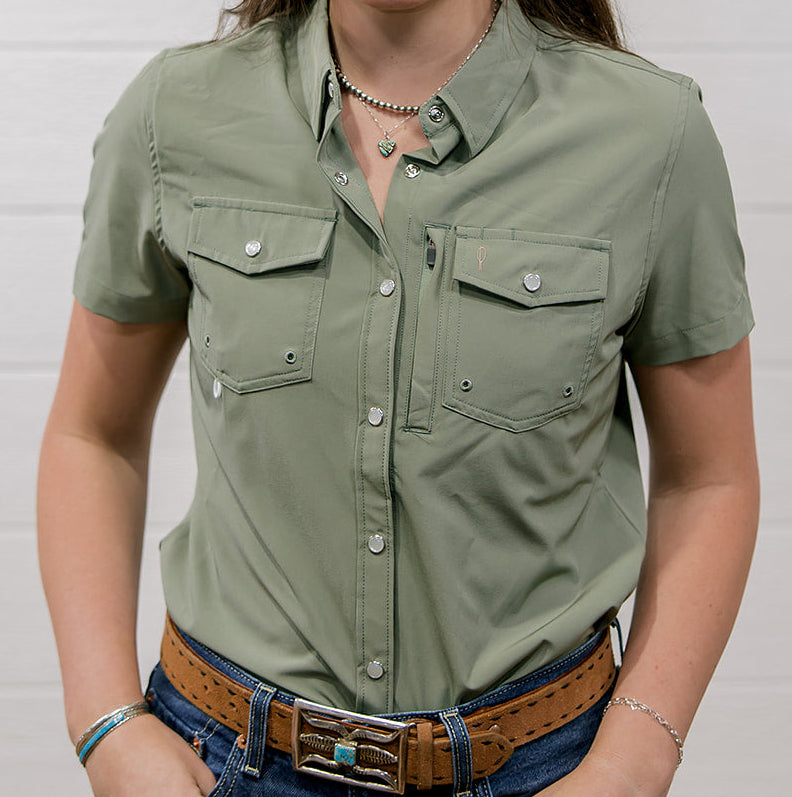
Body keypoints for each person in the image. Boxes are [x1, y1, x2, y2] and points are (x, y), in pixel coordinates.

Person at [37, 1, 760, 795]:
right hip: (220, 762)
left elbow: (710, 477)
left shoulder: (652, 135)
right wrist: (105, 721)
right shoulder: (174, 115)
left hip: (546, 768)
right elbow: (92, 433)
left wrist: (634, 761)